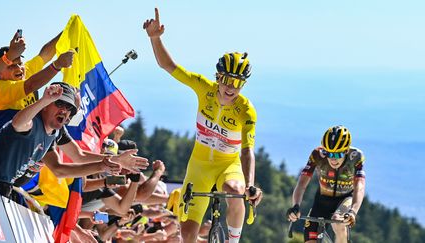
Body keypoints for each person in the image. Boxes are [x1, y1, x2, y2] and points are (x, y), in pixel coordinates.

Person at [143, 8, 263, 243]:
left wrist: (250, 185)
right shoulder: (203, 88)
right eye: (228, 80)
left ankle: (233, 240)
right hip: (199, 167)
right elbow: (169, 66)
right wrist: (155, 38)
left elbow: (248, 151)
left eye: (238, 84)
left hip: (228, 165)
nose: (231, 88)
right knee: (187, 236)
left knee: (236, 191)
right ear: (218, 78)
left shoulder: (246, 110)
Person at [287, 125, 366, 243]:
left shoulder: (355, 157)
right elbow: (302, 183)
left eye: (337, 155)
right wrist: (296, 206)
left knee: (337, 222)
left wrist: (353, 212)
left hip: (345, 199)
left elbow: (359, 187)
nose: (333, 159)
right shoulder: (317, 154)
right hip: (322, 200)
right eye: (329, 154)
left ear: (346, 151)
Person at [0, 31, 74, 135]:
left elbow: (44, 55)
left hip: (25, 141)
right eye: (11, 66)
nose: (18, 68)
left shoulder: (25, 71)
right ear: (0, 73)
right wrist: (57, 65)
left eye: (20, 63)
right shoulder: (1, 88)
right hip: (4, 146)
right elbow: (30, 85)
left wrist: (66, 32)